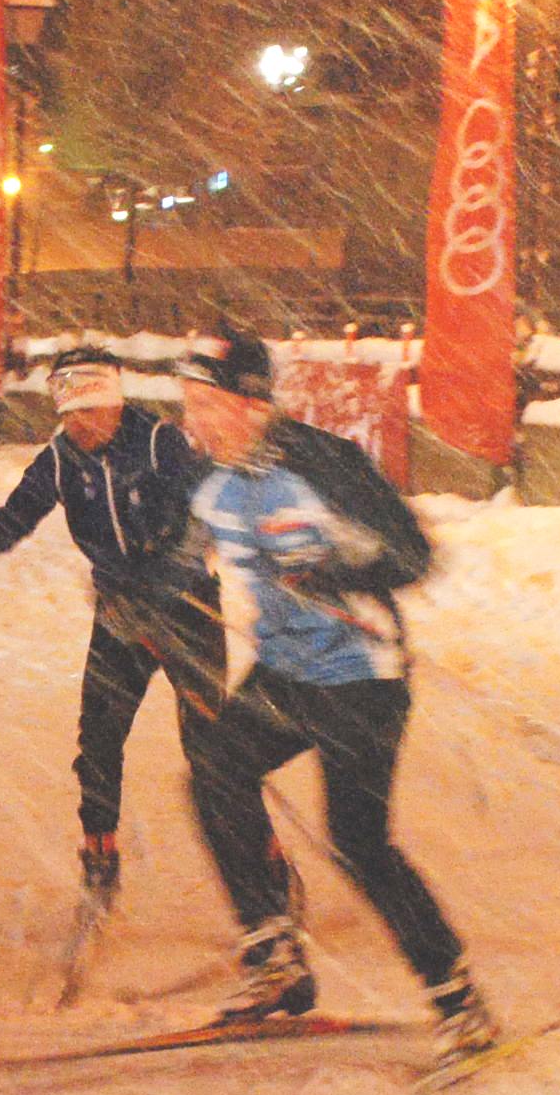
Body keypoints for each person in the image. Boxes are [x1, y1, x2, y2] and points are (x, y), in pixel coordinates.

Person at [174, 324, 495, 1055]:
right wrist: (144, 598)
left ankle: (458, 1001)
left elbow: (414, 554)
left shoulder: (325, 466)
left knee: (359, 840)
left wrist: (335, 575)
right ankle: (276, 959)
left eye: (207, 404)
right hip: (285, 672)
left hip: (361, 677)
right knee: (216, 772)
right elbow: (182, 557)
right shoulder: (208, 477)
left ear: (253, 405)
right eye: (186, 404)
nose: (194, 421)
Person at [0, 349, 219, 902]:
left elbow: (206, 517)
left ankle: (265, 865)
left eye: (89, 412)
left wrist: (160, 581)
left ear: (113, 405)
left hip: (189, 612)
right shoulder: (61, 461)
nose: (78, 426)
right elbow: (12, 524)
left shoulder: (162, 444)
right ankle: (99, 853)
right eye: (68, 414)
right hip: (119, 617)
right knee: (98, 739)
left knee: (214, 752)